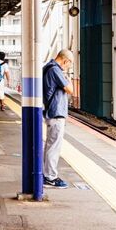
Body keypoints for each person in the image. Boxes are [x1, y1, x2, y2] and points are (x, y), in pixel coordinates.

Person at [42, 49, 75, 189]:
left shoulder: (49, 67)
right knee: (53, 146)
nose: (67, 68)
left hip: (53, 112)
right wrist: (66, 76)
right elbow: (70, 89)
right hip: (55, 113)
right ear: (65, 60)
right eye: (69, 65)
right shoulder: (55, 70)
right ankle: (50, 176)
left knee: (51, 145)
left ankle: (47, 174)